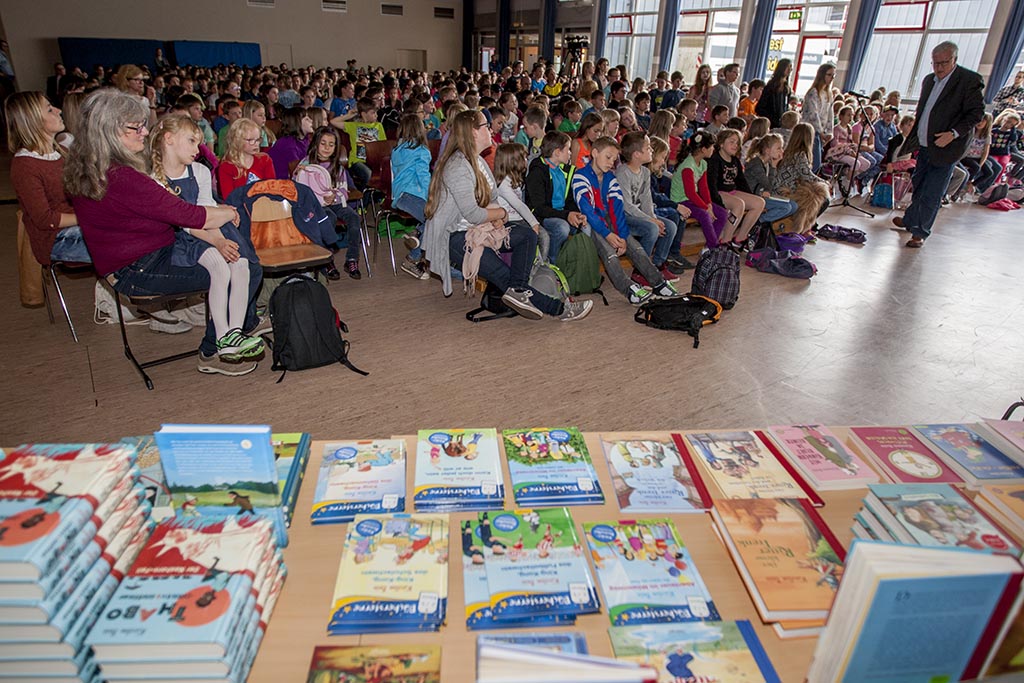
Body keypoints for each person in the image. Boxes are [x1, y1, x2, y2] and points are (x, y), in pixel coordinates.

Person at [64, 88, 262, 377]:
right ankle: (216, 348)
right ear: (110, 131)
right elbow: (189, 214)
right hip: (138, 268)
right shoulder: (122, 176)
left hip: (140, 257)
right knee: (243, 268)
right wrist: (230, 212)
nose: (145, 132)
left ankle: (230, 333)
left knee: (240, 263)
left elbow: (182, 215)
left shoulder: (95, 166)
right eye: (136, 127)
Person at [422, 109, 592, 322]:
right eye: (486, 125)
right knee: (504, 275)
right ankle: (559, 309)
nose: (492, 128)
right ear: (474, 132)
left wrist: (498, 216)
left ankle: (518, 292)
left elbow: (489, 200)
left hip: (480, 229)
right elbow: (473, 214)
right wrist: (501, 212)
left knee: (528, 236)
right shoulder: (458, 166)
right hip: (456, 236)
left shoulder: (477, 161)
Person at [149, 113, 265, 343]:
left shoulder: (199, 171)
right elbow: (185, 222)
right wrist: (218, 242)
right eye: (191, 141)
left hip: (210, 226)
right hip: (186, 237)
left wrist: (222, 230)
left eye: (199, 142)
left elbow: (207, 208)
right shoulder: (154, 180)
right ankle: (223, 335)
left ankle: (235, 333)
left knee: (241, 264)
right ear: (169, 139)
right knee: (220, 269)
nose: (198, 148)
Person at [893, 42, 984, 248]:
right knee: (918, 186)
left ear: (954, 60)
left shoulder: (969, 81)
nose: (939, 68)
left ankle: (920, 232)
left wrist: (952, 134)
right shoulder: (929, 80)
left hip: (946, 147)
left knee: (933, 191)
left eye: (943, 63)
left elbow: (975, 114)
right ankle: (910, 220)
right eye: (935, 63)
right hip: (924, 143)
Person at [572, 136, 681, 304]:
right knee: (609, 253)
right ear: (594, 153)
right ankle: (627, 287)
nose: (611, 163)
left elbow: (617, 210)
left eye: (614, 159)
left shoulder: (610, 178)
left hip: (607, 220)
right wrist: (608, 235)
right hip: (589, 222)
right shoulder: (580, 176)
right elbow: (588, 210)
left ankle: (657, 282)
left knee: (634, 247)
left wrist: (622, 236)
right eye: (608, 157)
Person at [6, 92, 90, 267]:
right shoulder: (25, 166)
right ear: (33, 120)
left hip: (78, 225)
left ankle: (113, 284)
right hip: (56, 239)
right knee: (124, 242)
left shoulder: (60, 152)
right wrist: (88, 216)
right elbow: (46, 219)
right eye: (50, 109)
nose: (59, 111)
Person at [292, 126, 364, 280]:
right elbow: (296, 187)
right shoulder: (306, 163)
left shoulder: (337, 167)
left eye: (331, 145)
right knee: (328, 218)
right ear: (316, 144)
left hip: (335, 202)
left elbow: (344, 190)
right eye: (323, 143)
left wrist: (334, 197)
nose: (327, 148)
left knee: (354, 218)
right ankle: (327, 259)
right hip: (315, 206)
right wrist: (297, 174)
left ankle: (352, 258)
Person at [614, 131, 679, 284]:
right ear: (636, 154)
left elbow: (646, 199)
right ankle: (640, 270)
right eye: (648, 148)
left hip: (639, 214)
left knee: (669, 226)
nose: (651, 151)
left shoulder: (644, 172)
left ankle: (657, 265)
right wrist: (651, 221)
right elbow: (626, 205)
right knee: (651, 229)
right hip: (625, 216)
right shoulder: (623, 173)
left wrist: (654, 218)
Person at [525, 131, 589, 263]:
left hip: (562, 213)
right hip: (542, 216)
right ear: (557, 152)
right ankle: (551, 264)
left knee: (586, 227)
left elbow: (569, 200)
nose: (571, 153)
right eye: (568, 149)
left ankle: (576, 265)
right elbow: (539, 208)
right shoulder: (537, 171)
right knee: (562, 228)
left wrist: (576, 213)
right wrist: (566, 215)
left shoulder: (566, 170)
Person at [706, 128, 764, 249]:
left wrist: (751, 196)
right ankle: (725, 239)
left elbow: (741, 182)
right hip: (718, 193)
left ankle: (740, 238)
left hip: (732, 191)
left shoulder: (735, 161)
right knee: (739, 204)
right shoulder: (714, 160)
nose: (735, 145)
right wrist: (717, 201)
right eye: (731, 142)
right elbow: (711, 184)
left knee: (759, 202)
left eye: (737, 143)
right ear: (721, 143)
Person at [670, 131, 728, 249]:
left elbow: (704, 187)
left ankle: (707, 248)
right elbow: (690, 193)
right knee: (704, 215)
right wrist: (706, 209)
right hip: (681, 201)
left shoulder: (703, 164)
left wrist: (709, 205)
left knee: (722, 213)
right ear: (703, 149)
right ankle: (714, 247)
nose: (713, 149)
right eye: (711, 147)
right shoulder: (688, 166)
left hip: (690, 200)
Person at [391, 113, 433, 280]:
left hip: (400, 197)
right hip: (415, 194)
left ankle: (416, 234)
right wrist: (432, 196)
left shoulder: (397, 150)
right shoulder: (421, 151)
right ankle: (412, 258)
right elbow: (424, 176)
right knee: (434, 220)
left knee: (430, 222)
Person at [646, 135, 693, 272]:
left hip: (651, 207)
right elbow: (653, 197)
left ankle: (671, 254)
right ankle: (660, 260)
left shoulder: (652, 174)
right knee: (674, 215)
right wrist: (675, 205)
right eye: (662, 157)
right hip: (644, 210)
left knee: (677, 214)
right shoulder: (645, 173)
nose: (663, 162)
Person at [777, 123, 830, 236]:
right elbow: (807, 175)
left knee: (814, 193)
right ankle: (806, 228)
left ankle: (808, 226)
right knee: (823, 199)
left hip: (784, 187)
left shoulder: (789, 151)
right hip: (787, 190)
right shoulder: (800, 154)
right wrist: (825, 182)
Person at [743, 133, 799, 227]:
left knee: (794, 206)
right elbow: (768, 185)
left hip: (761, 194)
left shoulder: (767, 163)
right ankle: (758, 222)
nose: (781, 151)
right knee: (786, 207)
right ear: (768, 151)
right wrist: (774, 166)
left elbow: (769, 187)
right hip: (752, 196)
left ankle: (762, 221)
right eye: (779, 148)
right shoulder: (756, 164)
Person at [218, 118, 276, 198]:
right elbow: (229, 198)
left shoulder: (265, 160)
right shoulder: (227, 166)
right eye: (250, 140)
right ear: (237, 141)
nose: (256, 144)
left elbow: (273, 189)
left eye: (258, 139)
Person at [340, 97, 385, 189]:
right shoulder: (354, 126)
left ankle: (373, 197)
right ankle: (361, 200)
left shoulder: (378, 126)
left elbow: (383, 145)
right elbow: (333, 122)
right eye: (373, 113)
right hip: (358, 161)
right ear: (364, 114)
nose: (376, 115)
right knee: (368, 175)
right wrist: (349, 115)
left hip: (374, 161)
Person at [801, 64, 835, 172]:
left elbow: (830, 114)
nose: (831, 78)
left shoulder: (828, 93)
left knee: (816, 163)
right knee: (814, 163)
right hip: (810, 131)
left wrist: (830, 131)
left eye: (833, 75)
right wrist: (821, 132)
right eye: (829, 75)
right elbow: (813, 114)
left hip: (821, 133)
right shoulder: (813, 92)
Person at [267, 106, 313, 179]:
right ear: (297, 122)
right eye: (307, 119)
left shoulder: (305, 139)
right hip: (279, 184)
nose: (311, 120)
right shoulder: (287, 144)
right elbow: (297, 172)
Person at [756, 59, 792, 128]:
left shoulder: (787, 89)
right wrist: (772, 119)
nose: (790, 70)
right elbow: (759, 108)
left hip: (781, 124)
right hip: (770, 124)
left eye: (791, 67)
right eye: (788, 67)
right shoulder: (770, 87)